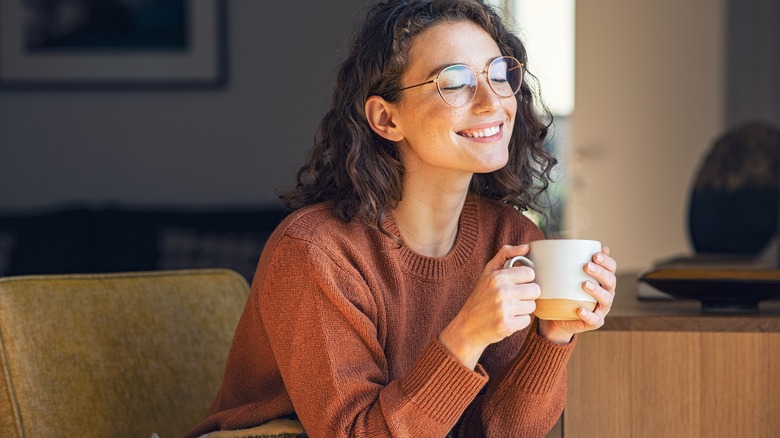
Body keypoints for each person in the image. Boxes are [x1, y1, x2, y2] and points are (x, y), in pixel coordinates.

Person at [187, 0, 617, 437]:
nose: (492, 102)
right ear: (386, 118)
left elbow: (502, 431)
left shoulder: (510, 237)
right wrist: (466, 334)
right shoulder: (317, 253)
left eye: (498, 74)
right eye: (455, 82)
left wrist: (552, 336)